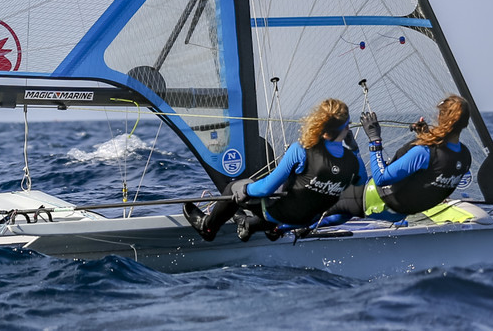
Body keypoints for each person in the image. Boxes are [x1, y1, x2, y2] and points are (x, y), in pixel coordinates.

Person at [183, 98, 366, 242]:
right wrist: (354, 149)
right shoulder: (353, 162)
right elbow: (361, 181)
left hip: (280, 214)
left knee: (235, 187)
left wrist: (245, 191)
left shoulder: (301, 149)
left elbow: (265, 189)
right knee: (292, 197)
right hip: (308, 220)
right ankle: (256, 227)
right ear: (346, 129)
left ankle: (207, 227)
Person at [322, 94, 475, 224]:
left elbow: (381, 178)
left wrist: (374, 140)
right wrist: (425, 136)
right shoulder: (465, 156)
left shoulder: (425, 152)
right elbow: (432, 174)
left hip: (375, 200)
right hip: (398, 212)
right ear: (466, 123)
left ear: (441, 118)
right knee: (343, 211)